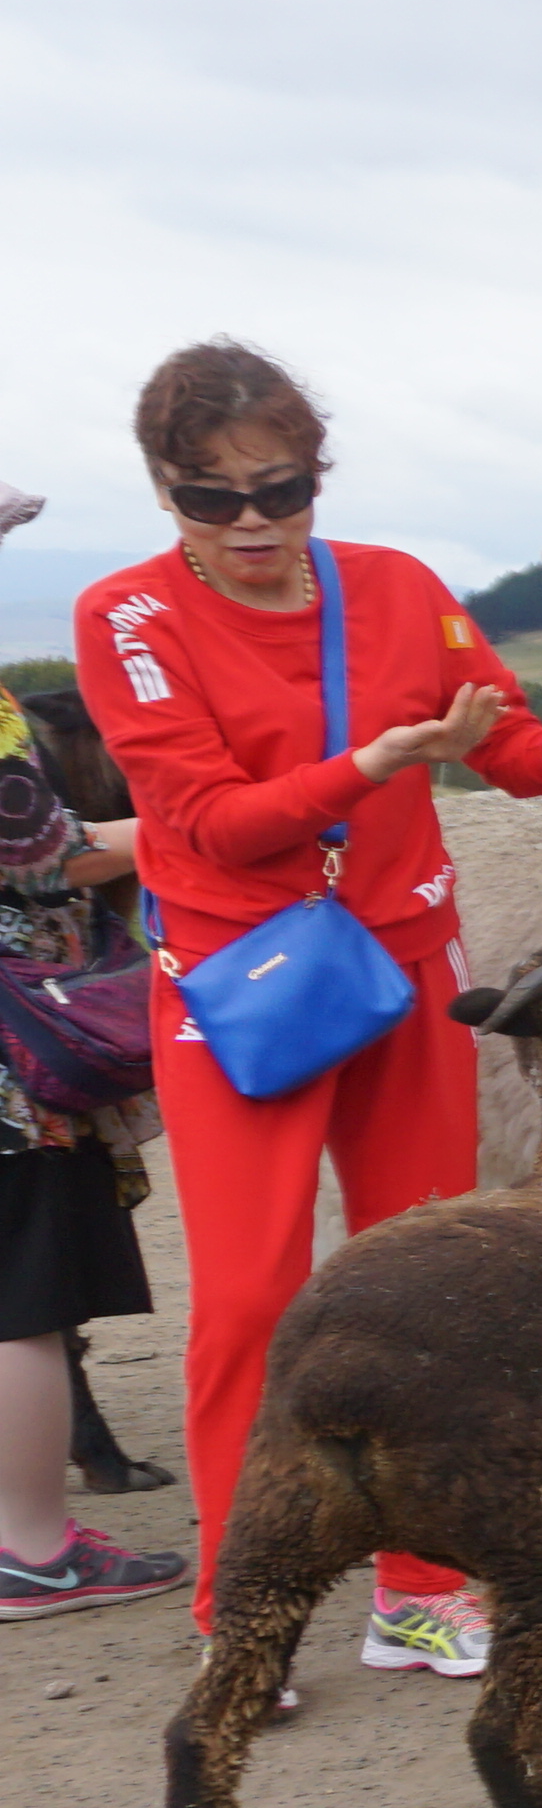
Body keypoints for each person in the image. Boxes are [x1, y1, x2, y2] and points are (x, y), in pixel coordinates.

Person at [78, 341, 542, 1658]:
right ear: (164, 493)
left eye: (280, 488)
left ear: (315, 475)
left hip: (400, 966)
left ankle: (422, 1589)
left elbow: (491, 725)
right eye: (211, 498)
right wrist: (366, 766)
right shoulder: (129, 619)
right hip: (237, 988)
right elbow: (213, 823)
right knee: (250, 1302)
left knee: (431, 1286)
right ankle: (250, 1607)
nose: (254, 523)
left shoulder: (397, 587)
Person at [0, 692, 172, 1617]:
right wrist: (196, 828)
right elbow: (47, 855)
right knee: (23, 1300)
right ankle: (34, 1550)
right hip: (13, 1051)